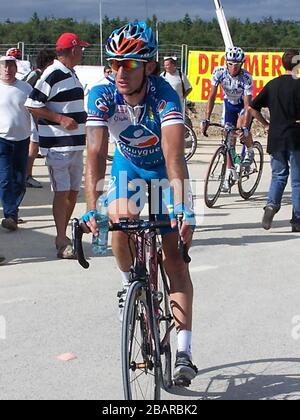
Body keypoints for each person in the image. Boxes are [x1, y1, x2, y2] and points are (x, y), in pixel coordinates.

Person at [81, 21, 198, 383]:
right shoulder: (101, 95)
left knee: (173, 257)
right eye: (115, 62)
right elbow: (96, 153)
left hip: (164, 173)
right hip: (127, 169)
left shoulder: (164, 96)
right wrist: (90, 206)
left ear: (148, 66)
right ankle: (129, 286)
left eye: (129, 64)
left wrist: (182, 206)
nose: (120, 72)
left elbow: (174, 154)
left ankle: (184, 350)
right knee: (118, 223)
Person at [25, 33, 90, 259]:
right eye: (80, 48)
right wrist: (61, 119)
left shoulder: (70, 73)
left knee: (72, 192)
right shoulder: (52, 74)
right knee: (62, 193)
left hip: (74, 145)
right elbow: (32, 104)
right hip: (58, 146)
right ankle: (62, 238)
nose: (83, 52)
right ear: (72, 50)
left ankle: (63, 233)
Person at [249, 49, 300, 232]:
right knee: (297, 180)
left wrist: (265, 124)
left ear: (282, 64)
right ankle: (297, 220)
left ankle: (271, 206)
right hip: (296, 137)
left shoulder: (273, 85)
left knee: (278, 175)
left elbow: (252, 107)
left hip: (276, 136)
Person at [201, 46, 254, 190]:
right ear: (226, 62)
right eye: (230, 63)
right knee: (228, 138)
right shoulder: (219, 72)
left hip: (243, 106)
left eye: (237, 64)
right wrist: (206, 119)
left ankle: (250, 149)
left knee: (239, 132)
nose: (233, 67)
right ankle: (230, 172)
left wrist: (245, 127)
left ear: (242, 64)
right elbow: (211, 97)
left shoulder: (246, 77)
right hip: (229, 104)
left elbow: (248, 105)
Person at [0, 55, 33, 231]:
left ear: (16, 68)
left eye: (11, 66)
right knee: (5, 179)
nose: (7, 70)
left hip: (22, 139)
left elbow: (35, 110)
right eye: (4, 66)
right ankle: (10, 214)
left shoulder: (25, 88)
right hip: (2, 140)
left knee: (20, 179)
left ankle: (13, 210)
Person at [25, 48, 57, 189]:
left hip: (34, 115)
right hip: (31, 114)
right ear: (49, 62)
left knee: (35, 143)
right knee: (34, 142)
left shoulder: (42, 75)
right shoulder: (36, 75)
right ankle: (27, 175)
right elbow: (28, 97)